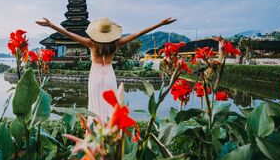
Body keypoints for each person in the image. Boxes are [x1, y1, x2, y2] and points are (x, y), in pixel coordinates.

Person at [36, 17, 176, 121]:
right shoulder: (116, 43)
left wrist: (51, 25)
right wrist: (160, 23)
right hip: (109, 74)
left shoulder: (91, 43)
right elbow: (138, 34)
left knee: (94, 104)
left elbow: (69, 34)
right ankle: (111, 130)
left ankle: (95, 131)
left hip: (95, 74)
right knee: (111, 105)